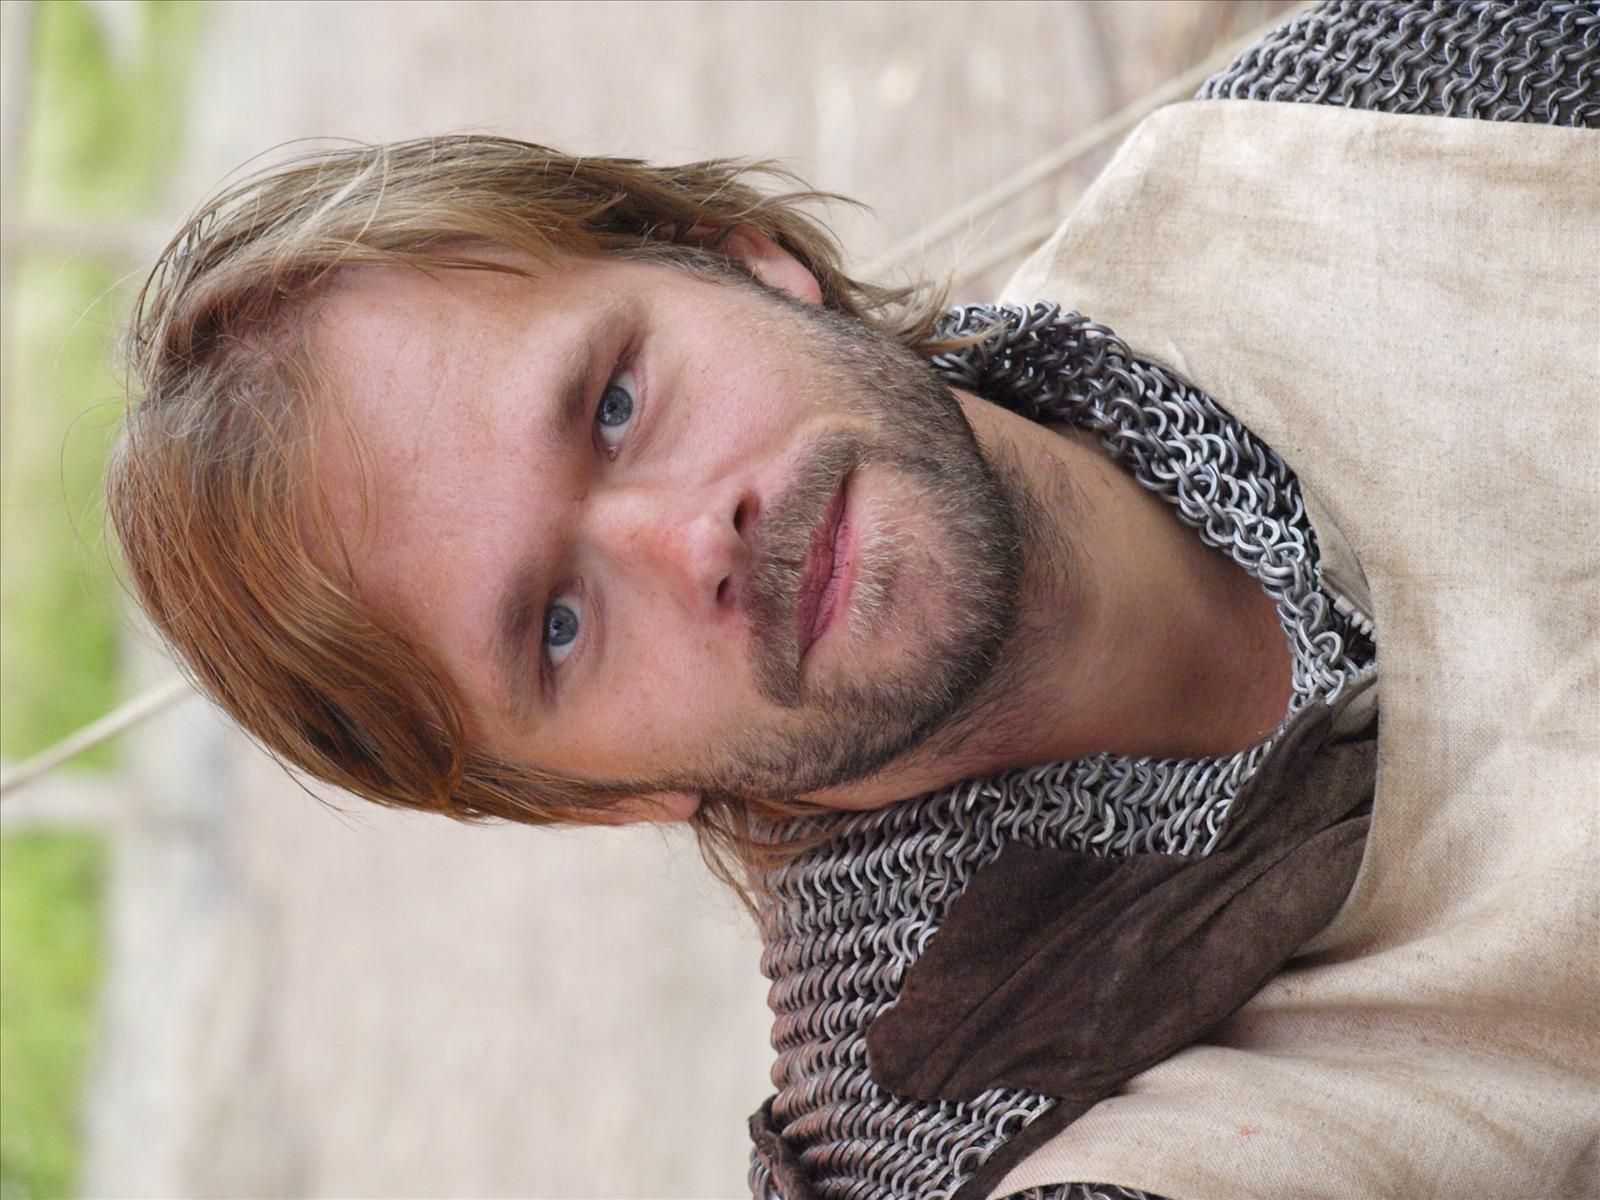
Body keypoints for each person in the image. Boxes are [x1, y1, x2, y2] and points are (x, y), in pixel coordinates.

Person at [108, 3, 1597, 1198]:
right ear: (597, 797)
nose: (689, 537)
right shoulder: (1016, 1154)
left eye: (615, 402)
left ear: (744, 262)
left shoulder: (1371, 132)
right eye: (558, 625)